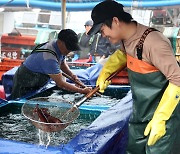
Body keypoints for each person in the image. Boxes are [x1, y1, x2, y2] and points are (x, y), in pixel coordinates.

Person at [88, 1, 180, 154]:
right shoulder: (126, 41)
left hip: (163, 118)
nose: (102, 35)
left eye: (102, 29)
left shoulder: (154, 43)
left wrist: (161, 119)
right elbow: (124, 55)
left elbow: (177, 79)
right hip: (141, 115)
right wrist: (106, 72)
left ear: (116, 21)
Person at [11, 29, 91, 99]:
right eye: (69, 48)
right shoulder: (49, 58)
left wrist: (72, 75)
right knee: (20, 103)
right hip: (24, 82)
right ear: (60, 42)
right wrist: (81, 91)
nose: (69, 51)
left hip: (36, 81)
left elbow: (62, 64)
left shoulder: (57, 46)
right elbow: (61, 84)